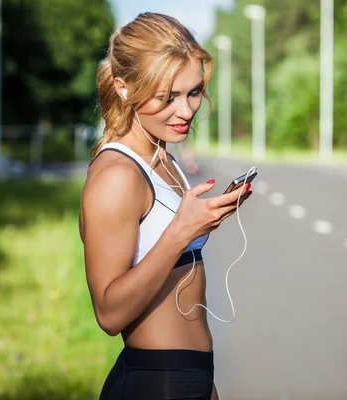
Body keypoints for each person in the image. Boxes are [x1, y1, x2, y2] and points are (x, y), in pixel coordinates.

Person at [78, 12, 253, 400]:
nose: (187, 110)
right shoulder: (117, 175)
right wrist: (180, 233)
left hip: (190, 377)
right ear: (124, 88)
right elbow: (108, 314)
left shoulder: (164, 156)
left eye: (193, 92)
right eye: (167, 97)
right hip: (152, 383)